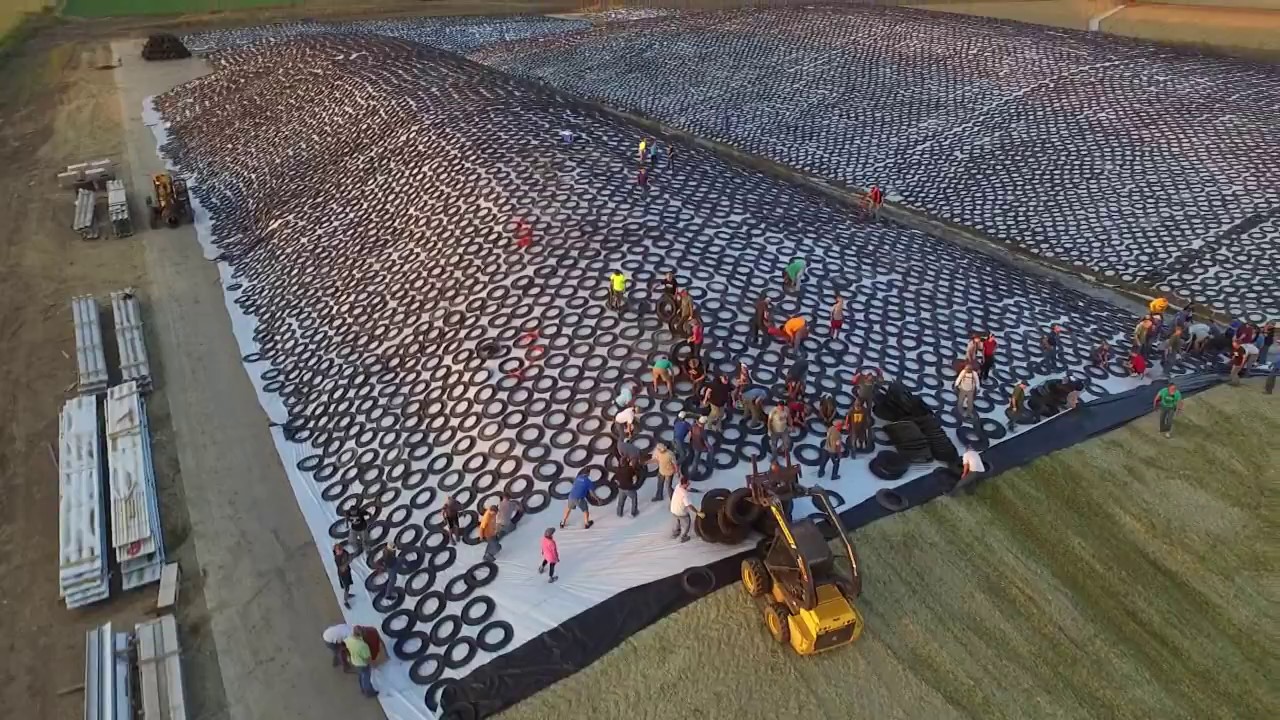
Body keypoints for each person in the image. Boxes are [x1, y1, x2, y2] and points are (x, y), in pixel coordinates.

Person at [669, 476, 704, 543]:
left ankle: (675, 533)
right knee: (687, 523)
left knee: (677, 521)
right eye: (687, 483)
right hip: (681, 512)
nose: (689, 484)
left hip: (673, 509)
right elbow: (689, 506)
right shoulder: (685, 494)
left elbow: (686, 488)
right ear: (684, 484)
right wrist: (697, 512)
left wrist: (692, 490)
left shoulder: (678, 486)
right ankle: (684, 537)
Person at [344, 630, 377, 698]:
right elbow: (367, 658)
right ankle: (368, 692)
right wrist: (373, 664)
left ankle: (362, 688)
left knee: (361, 675)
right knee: (366, 677)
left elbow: (346, 650)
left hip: (354, 661)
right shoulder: (362, 646)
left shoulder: (348, 639)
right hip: (362, 664)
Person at [333, 543, 354, 609]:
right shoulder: (337, 558)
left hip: (347, 572)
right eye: (338, 551)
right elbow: (342, 568)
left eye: (340, 550)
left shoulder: (344, 552)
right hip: (343, 575)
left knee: (348, 585)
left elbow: (348, 556)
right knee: (346, 587)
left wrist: (349, 558)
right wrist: (348, 561)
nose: (340, 552)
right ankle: (345, 601)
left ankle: (347, 594)